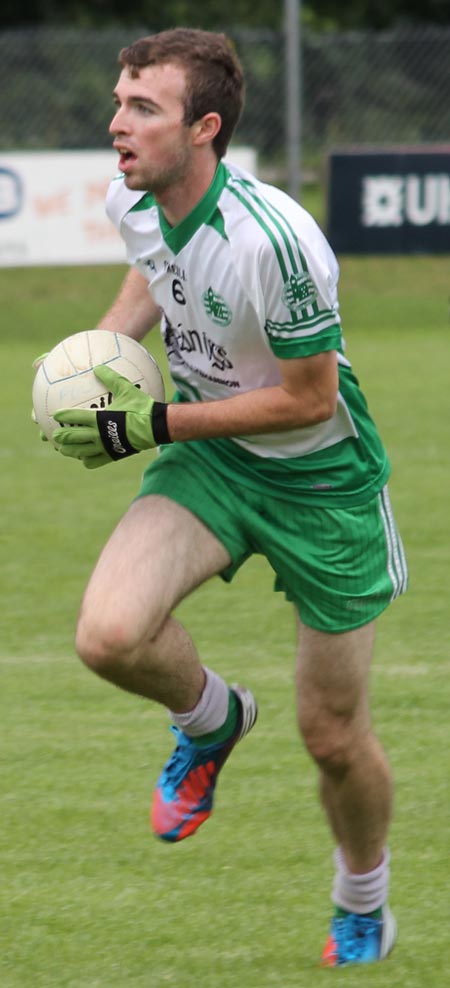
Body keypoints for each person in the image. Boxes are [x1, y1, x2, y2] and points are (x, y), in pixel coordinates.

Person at [48, 28, 408, 967]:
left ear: (204, 128)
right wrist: (92, 362)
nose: (116, 124)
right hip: (216, 465)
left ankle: (363, 894)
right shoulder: (142, 199)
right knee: (108, 635)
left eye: (142, 108)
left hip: (321, 484)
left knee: (331, 736)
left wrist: (154, 423)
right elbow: (151, 280)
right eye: (120, 102)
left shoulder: (276, 241)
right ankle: (212, 720)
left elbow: (309, 397)